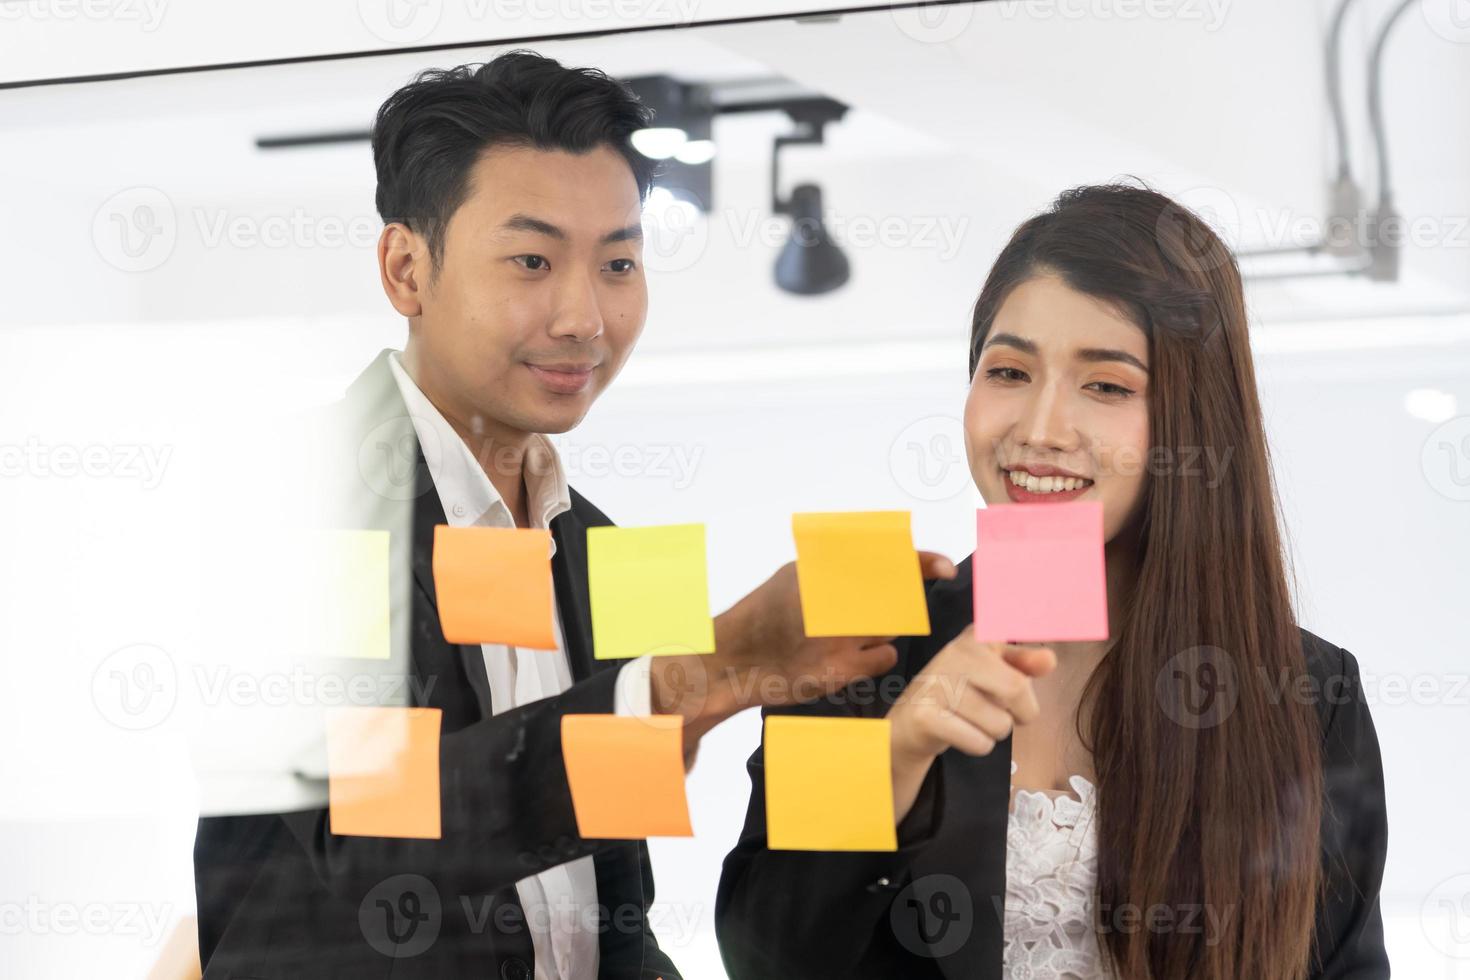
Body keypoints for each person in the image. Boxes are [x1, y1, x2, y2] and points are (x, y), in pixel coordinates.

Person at [191, 50, 953, 979]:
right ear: (406, 269)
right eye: (531, 260)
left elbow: (604, 917)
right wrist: (695, 676)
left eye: (619, 263)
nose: (584, 316)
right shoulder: (299, 507)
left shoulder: (603, 549)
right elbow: (370, 842)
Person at [715, 183, 1390, 980]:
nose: (1038, 430)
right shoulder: (855, 639)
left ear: (1192, 421)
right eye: (1008, 372)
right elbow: (764, 960)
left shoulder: (1309, 691)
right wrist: (892, 757)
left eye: (1106, 385)